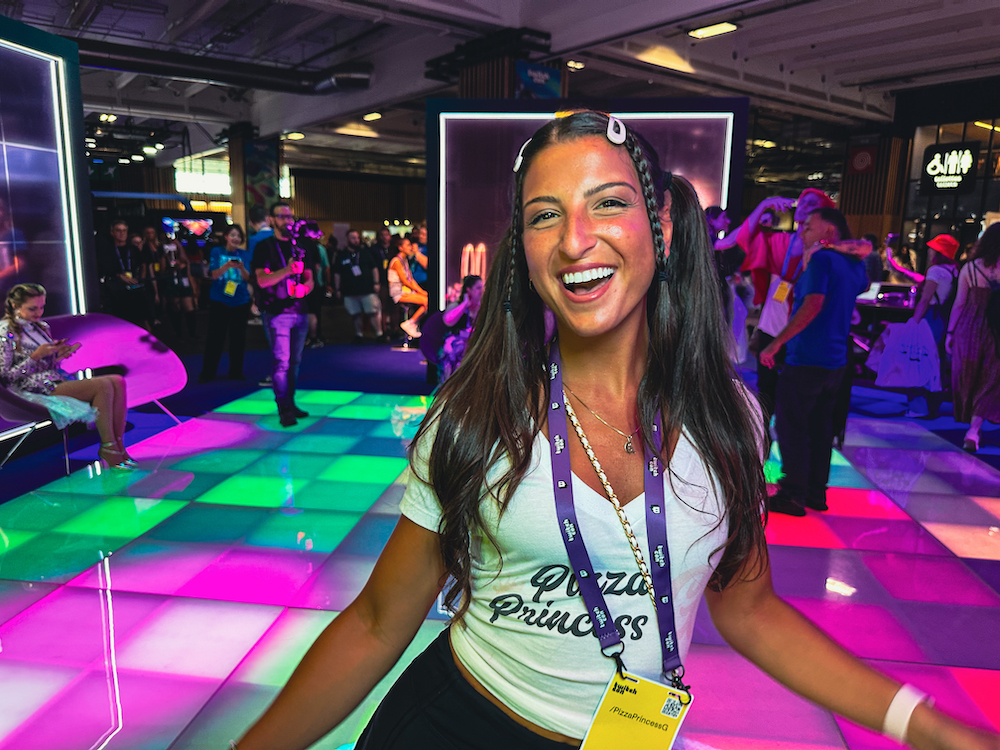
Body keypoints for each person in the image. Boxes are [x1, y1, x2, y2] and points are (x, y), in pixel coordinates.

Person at [235, 112, 997, 750]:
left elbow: (748, 606)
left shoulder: (731, 417)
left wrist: (921, 724)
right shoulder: (480, 416)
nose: (575, 241)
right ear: (524, 249)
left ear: (658, 222)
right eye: (544, 216)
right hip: (458, 725)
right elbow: (374, 623)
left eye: (607, 203)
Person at [760, 208, 869, 516]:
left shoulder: (822, 261)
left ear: (828, 233)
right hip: (835, 361)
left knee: (791, 425)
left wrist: (776, 342)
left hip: (807, 357)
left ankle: (793, 493)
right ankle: (815, 492)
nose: (802, 231)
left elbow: (813, 304)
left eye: (808, 226)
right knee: (820, 427)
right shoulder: (853, 264)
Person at [1, 283, 135, 469]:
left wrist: (57, 356)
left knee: (117, 381)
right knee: (103, 385)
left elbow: (48, 365)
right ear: (15, 306)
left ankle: (119, 446)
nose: (38, 312)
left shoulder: (41, 327)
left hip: (52, 380)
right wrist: (35, 356)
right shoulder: (4, 332)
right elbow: (5, 378)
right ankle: (109, 448)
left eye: (41, 307)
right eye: (32, 308)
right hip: (28, 390)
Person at [739, 189, 835, 427]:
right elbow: (740, 239)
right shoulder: (780, 241)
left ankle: (793, 454)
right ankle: (762, 448)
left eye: (812, 203)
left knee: (794, 405)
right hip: (769, 329)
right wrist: (764, 204)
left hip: (800, 336)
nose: (804, 206)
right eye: (802, 202)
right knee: (765, 395)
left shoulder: (826, 253)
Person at [251, 202, 318, 427]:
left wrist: (305, 288)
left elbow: (310, 278)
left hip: (299, 310)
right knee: (282, 362)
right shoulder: (264, 247)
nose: (287, 221)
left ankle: (290, 401)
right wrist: (287, 271)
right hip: (276, 312)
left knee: (295, 362)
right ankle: (284, 407)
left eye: (289, 217)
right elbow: (261, 280)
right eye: (281, 217)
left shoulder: (300, 245)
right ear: (271, 219)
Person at [946, 223, 1000, 453]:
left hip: (969, 326)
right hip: (995, 330)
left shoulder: (970, 268)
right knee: (991, 378)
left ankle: (969, 422)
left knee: (968, 374)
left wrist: (950, 333)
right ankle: (974, 431)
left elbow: (959, 303)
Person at [199, 224, 252, 383]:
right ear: (226, 237)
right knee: (215, 337)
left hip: (240, 300)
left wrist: (241, 267)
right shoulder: (217, 251)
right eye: (233, 235)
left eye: (239, 236)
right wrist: (227, 266)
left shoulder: (245, 254)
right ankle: (208, 372)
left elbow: (248, 278)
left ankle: (236, 371)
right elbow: (214, 275)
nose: (236, 239)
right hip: (219, 300)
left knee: (238, 338)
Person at [334, 229, 384, 344]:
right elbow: (337, 273)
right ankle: (359, 335)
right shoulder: (341, 255)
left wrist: (376, 283)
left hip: (367, 289)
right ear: (347, 239)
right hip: (350, 291)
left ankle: (379, 334)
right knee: (355, 314)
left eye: (357, 238)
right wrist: (337, 289)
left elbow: (374, 268)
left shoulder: (365, 253)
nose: (355, 240)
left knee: (372, 312)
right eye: (353, 238)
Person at [95, 219, 149, 328]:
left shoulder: (133, 249)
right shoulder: (107, 250)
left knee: (141, 321)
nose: (122, 233)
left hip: (135, 290)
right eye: (118, 230)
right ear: (112, 233)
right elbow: (104, 269)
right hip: (116, 292)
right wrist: (119, 276)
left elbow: (144, 264)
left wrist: (141, 280)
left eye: (124, 230)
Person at [440, 274, 482, 379]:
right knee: (453, 349)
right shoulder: (457, 306)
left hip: (474, 344)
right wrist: (465, 304)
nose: (482, 291)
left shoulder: (482, 308)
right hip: (456, 345)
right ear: (469, 290)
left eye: (482, 287)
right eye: (478, 288)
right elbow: (448, 321)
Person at [388, 235, 427, 338]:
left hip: (406, 290)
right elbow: (405, 281)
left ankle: (412, 323)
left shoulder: (404, 261)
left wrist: (421, 291)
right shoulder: (396, 261)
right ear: (400, 248)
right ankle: (411, 323)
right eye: (408, 245)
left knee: (427, 299)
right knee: (426, 301)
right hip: (398, 292)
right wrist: (419, 291)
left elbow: (411, 279)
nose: (411, 247)